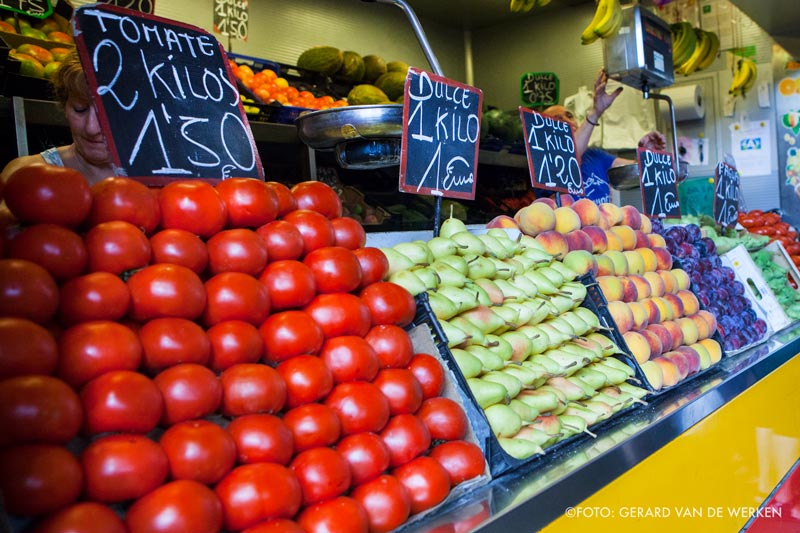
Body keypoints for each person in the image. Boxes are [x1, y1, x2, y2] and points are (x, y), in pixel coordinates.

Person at [543, 68, 666, 204]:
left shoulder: (594, 155)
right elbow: (569, 158)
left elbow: (637, 171)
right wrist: (596, 111)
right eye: (557, 119)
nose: (567, 121)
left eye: (569, 115)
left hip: (603, 225)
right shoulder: (546, 164)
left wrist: (648, 155)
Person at [1, 51, 115, 186]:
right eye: (79, 109)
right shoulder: (23, 175)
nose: (91, 128)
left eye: (108, 113)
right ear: (64, 106)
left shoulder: (147, 173)